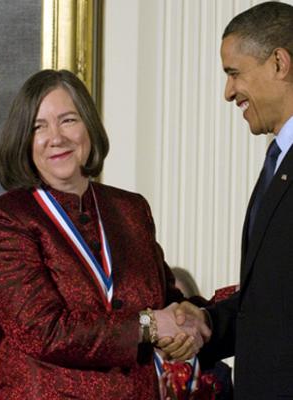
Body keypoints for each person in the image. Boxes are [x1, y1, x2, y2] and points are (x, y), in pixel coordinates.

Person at [0, 69, 210, 399]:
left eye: (68, 120)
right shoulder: (8, 217)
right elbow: (41, 331)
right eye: (39, 126)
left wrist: (191, 320)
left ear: (89, 127)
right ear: (24, 139)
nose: (56, 137)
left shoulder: (131, 209)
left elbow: (165, 300)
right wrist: (148, 326)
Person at [170, 2, 293, 399]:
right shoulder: (278, 162)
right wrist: (206, 320)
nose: (228, 93)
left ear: (279, 63)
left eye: (233, 73)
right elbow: (271, 301)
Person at [171, 267, 234, 400]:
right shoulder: (141, 366)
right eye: (169, 308)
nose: (177, 316)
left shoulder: (219, 375)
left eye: (181, 306)